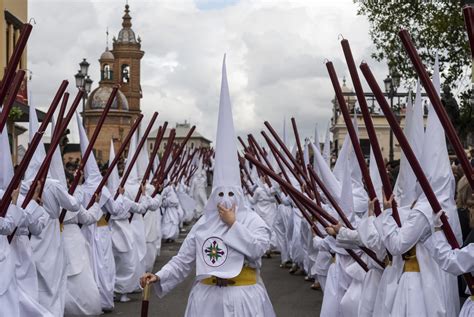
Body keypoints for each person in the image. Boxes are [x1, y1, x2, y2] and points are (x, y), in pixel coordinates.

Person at [140, 56, 276, 316]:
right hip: (206, 301)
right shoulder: (203, 224)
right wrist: (158, 276)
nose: (224, 199)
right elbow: (183, 260)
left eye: (230, 194)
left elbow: (258, 249)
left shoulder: (252, 221)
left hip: (244, 299)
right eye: (220, 193)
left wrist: (233, 224)